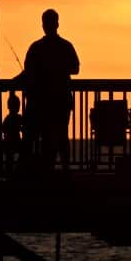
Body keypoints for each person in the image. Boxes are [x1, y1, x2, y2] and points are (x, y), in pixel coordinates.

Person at [18, 9, 80, 172]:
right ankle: (64, 168)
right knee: (60, 135)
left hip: (42, 101)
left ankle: (47, 169)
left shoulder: (36, 48)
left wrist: (12, 82)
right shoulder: (66, 46)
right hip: (61, 100)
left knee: (45, 136)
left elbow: (27, 72)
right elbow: (75, 68)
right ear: (57, 24)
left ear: (43, 25)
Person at [1, 92, 26, 174]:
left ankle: (10, 169)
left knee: (10, 157)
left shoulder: (8, 118)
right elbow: (24, 127)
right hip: (15, 141)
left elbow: (3, 129)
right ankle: (17, 168)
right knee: (22, 151)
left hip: (9, 141)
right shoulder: (18, 117)